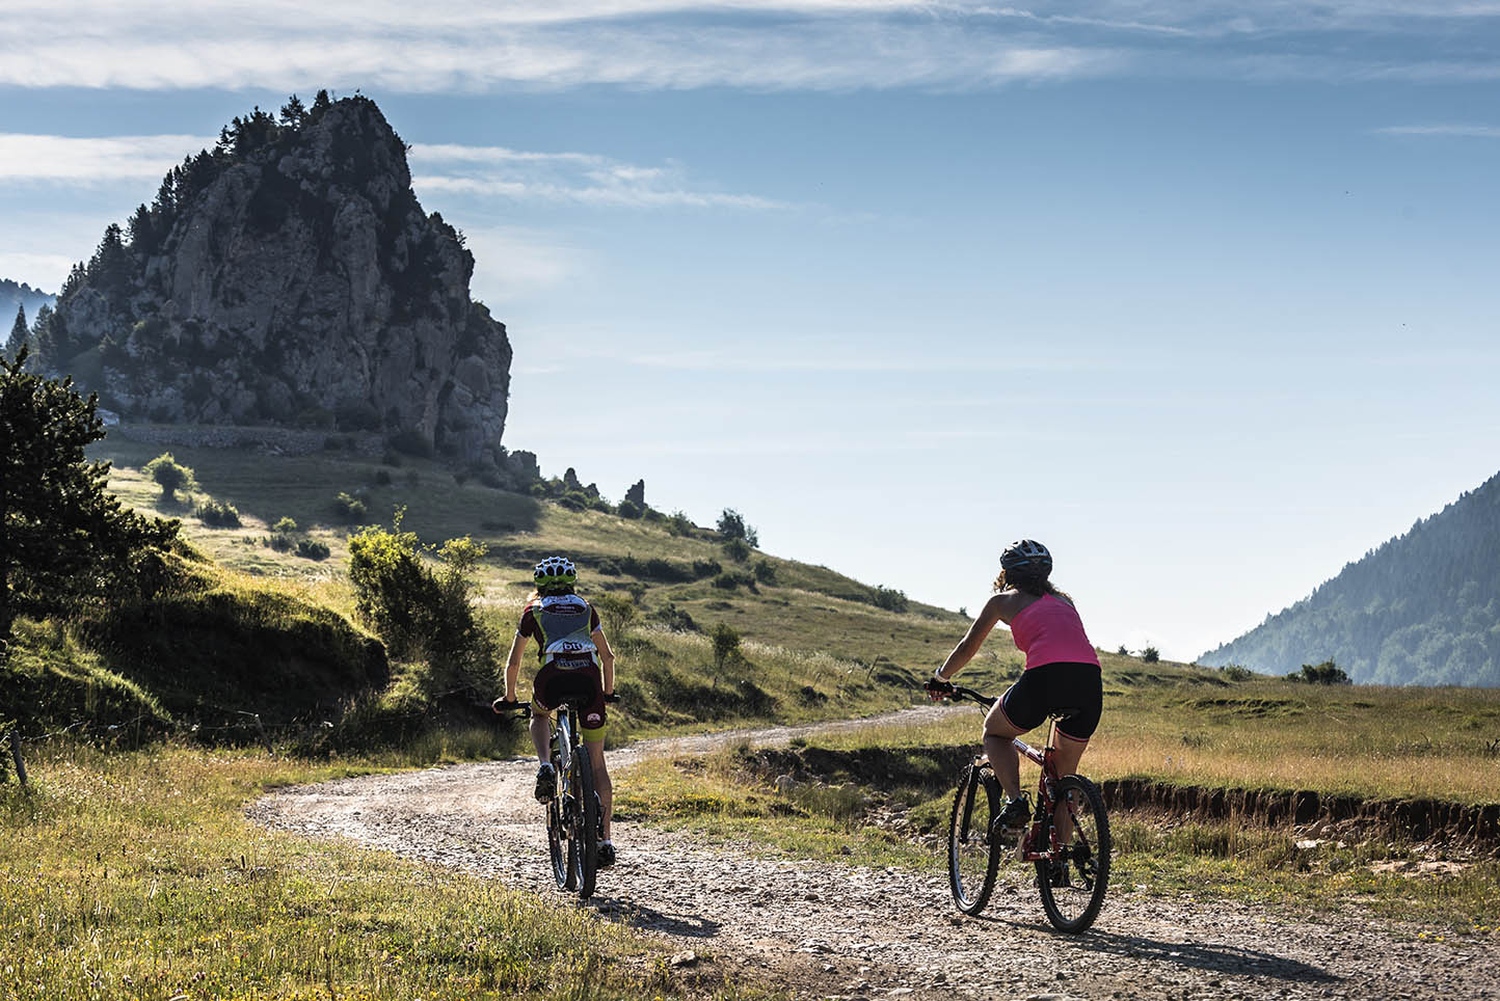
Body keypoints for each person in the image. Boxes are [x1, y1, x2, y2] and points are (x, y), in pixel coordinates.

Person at [926, 539, 1103, 844]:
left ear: (1007, 572)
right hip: (1089, 681)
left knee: (995, 732)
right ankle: (1059, 857)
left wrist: (941, 678)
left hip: (1045, 678)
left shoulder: (1002, 602)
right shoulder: (1065, 601)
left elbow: (968, 647)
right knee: (1064, 778)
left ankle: (1016, 803)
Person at [502, 556, 620, 867]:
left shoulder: (533, 611)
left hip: (552, 677)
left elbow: (514, 663)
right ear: (572, 582)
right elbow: (607, 657)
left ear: (538, 585)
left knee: (540, 715)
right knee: (597, 763)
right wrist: (607, 693)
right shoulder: (585, 608)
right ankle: (605, 840)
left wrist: (509, 696)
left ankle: (545, 765)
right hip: (589, 680)